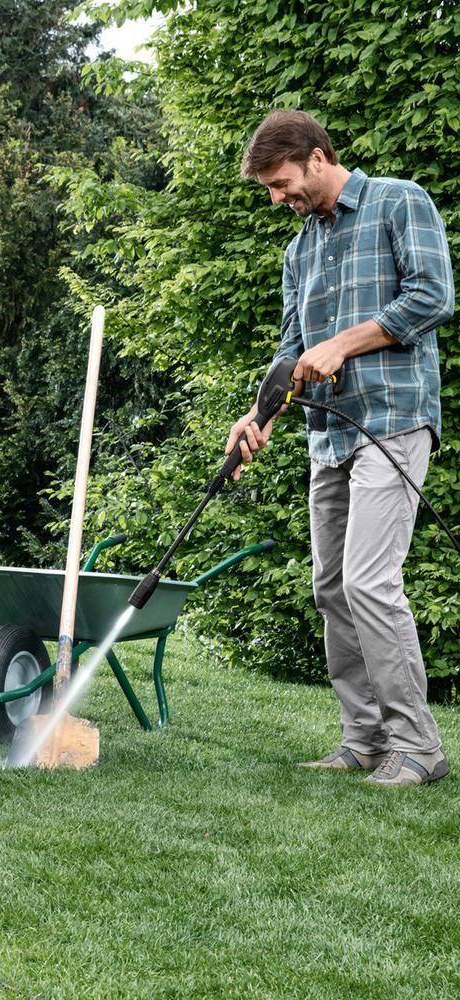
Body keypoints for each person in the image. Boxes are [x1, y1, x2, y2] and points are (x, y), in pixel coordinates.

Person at [226, 109, 454, 787]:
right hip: (330, 435)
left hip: (392, 420)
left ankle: (418, 745)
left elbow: (433, 296)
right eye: (270, 188)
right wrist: (259, 414)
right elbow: (292, 350)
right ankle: (365, 738)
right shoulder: (300, 250)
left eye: (282, 182)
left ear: (318, 158)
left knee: (368, 581)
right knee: (331, 587)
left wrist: (344, 343)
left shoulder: (398, 201)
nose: (278, 198)